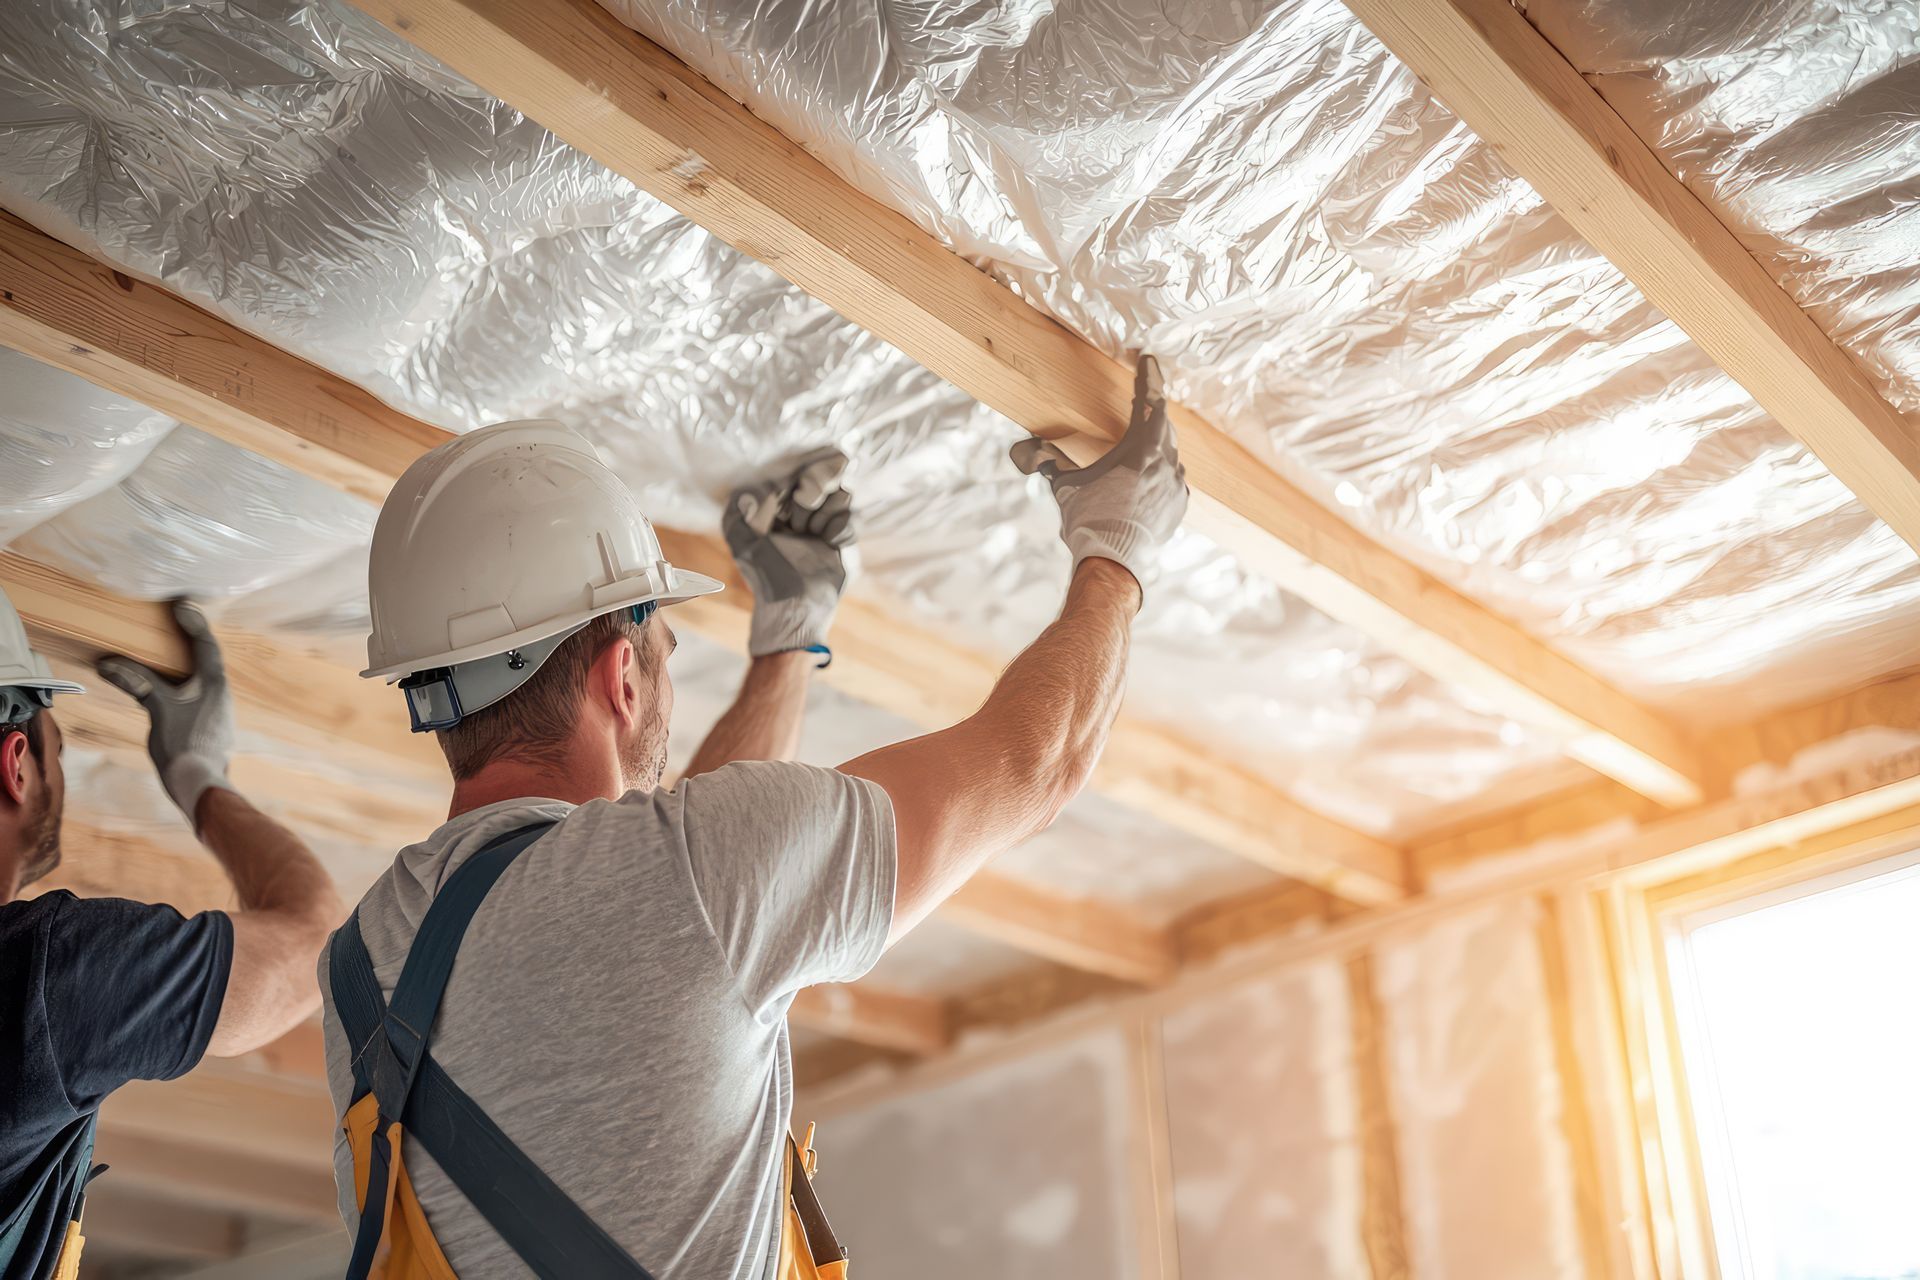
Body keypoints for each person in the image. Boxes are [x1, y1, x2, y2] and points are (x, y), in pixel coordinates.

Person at [322, 356, 1186, 1277]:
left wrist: (788, 635)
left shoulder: (363, 959)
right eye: (659, 649)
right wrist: (1120, 542)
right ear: (621, 679)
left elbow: (671, 896)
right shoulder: (684, 882)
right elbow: (1034, 762)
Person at [0, 595, 343, 1280]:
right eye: (58, 750)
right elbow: (316, 941)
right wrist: (198, 775)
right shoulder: (44, 972)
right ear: (17, 763)